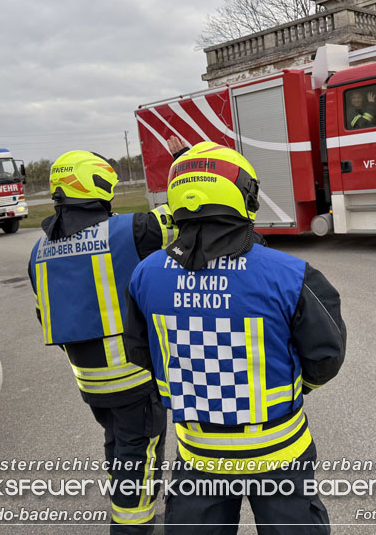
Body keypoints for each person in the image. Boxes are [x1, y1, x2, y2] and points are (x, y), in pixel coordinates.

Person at [124, 142, 347, 534]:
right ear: (246, 196)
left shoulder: (145, 274)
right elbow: (326, 355)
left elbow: (141, 352)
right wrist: (295, 386)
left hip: (199, 455)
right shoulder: (290, 274)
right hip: (279, 453)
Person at [28, 140, 186, 534]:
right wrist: (183, 160)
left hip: (90, 383)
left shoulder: (38, 251)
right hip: (133, 379)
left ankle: (129, 511)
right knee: (140, 457)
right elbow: (185, 209)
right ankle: (133, 526)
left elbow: (45, 314)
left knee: (118, 446)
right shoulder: (131, 230)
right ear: (97, 186)